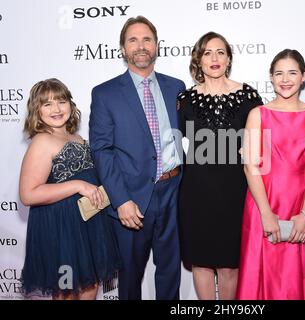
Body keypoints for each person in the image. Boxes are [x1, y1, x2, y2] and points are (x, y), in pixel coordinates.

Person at [89, 16, 186, 300]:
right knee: (130, 279)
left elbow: (188, 138)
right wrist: (120, 201)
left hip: (173, 191)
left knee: (170, 274)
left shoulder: (176, 87)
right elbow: (102, 150)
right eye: (133, 40)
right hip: (131, 198)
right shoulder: (105, 93)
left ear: (156, 45)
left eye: (146, 39)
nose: (140, 46)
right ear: (122, 48)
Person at [236, 49, 305, 300]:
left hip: (302, 204)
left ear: (304, 77)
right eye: (279, 73)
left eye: (292, 73)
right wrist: (266, 213)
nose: (285, 79)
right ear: (271, 77)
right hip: (262, 204)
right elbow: (250, 166)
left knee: (302, 275)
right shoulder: (258, 114)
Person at [177, 31, 263, 300]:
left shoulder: (248, 96)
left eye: (220, 52)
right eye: (207, 53)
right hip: (196, 192)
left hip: (235, 192)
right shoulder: (185, 100)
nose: (214, 58)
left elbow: (261, 146)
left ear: (228, 59)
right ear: (198, 60)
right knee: (201, 263)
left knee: (229, 263)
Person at [19, 78, 121, 300]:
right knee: (66, 291)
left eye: (61, 101)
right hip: (61, 231)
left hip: (88, 226)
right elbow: (28, 194)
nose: (56, 109)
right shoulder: (42, 141)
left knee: (89, 286)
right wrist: (77, 185)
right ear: (37, 111)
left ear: (70, 105)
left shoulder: (76, 137)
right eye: (47, 104)